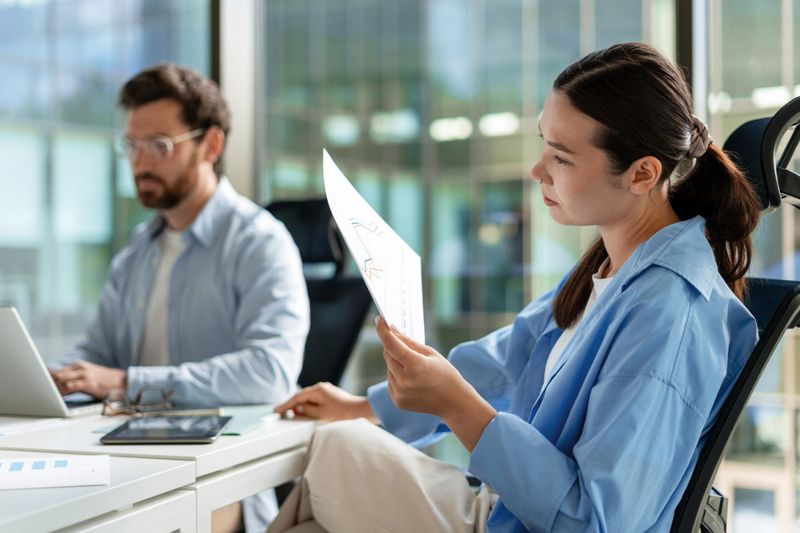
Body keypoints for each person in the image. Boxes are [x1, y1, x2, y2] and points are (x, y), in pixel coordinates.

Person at [270, 42, 762, 532]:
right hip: (506, 511)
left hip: (523, 522)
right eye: (543, 144)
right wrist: (364, 406)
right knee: (322, 495)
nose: (536, 171)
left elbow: (595, 521)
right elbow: (503, 362)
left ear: (641, 173)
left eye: (561, 158)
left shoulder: (669, 316)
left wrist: (456, 406)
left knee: (332, 456)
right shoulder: (611, 271)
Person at [48, 64, 310, 532]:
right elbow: (98, 354)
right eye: (132, 145)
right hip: (122, 459)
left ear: (210, 145)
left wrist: (128, 383)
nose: (140, 162)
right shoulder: (136, 253)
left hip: (215, 479)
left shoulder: (260, 243)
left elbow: (269, 372)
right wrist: (59, 378)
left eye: (160, 146)